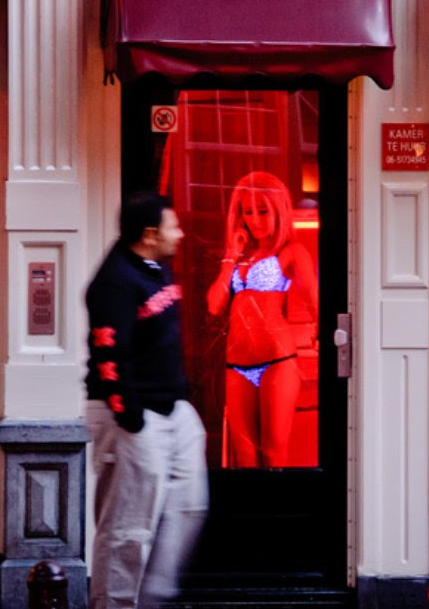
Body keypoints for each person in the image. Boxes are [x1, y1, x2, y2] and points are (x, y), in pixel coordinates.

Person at [85, 191, 209, 609]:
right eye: (174, 226)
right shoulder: (115, 281)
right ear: (151, 234)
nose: (182, 233)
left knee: (189, 503)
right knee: (127, 527)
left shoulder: (155, 268)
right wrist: (130, 418)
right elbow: (108, 353)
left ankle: (154, 597)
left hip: (171, 409)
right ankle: (115, 605)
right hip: (131, 414)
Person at [205, 171, 318, 468]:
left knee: (274, 451)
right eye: (248, 211)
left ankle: (278, 511)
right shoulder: (240, 258)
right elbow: (215, 305)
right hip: (236, 365)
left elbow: (315, 300)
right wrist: (230, 256)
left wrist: (323, 342)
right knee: (244, 456)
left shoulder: (292, 252)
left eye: (263, 211)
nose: (255, 220)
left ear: (279, 210)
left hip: (277, 361)